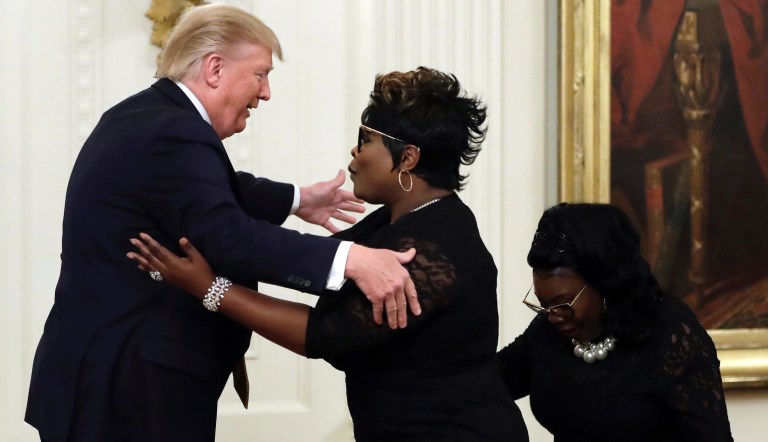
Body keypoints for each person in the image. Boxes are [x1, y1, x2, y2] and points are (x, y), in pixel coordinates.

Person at [25, 4, 420, 442]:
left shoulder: (146, 116)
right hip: (128, 389)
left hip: (105, 375)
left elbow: (202, 189)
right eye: (260, 73)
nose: (266, 92)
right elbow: (226, 233)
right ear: (215, 68)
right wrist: (351, 259)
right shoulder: (175, 131)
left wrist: (296, 199)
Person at [127, 66, 529, 441]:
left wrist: (211, 290)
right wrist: (284, 204)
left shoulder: (432, 249)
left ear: (408, 158)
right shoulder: (394, 221)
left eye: (365, 141)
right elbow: (301, 260)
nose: (354, 155)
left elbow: (321, 334)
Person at [496, 202, 733, 441]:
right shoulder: (548, 330)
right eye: (543, 304)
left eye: (563, 303)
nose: (554, 315)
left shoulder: (671, 335)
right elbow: (485, 384)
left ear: (604, 281)